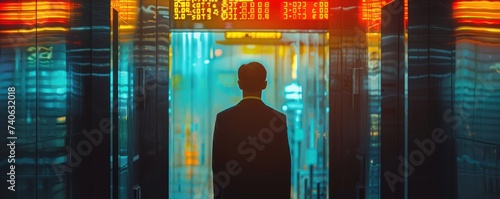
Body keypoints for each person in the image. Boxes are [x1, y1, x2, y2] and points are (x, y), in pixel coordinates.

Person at [212, 62, 291, 199]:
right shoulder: (278, 120)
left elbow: (218, 165)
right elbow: (283, 168)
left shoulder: (224, 119)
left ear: (239, 84)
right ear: (264, 84)